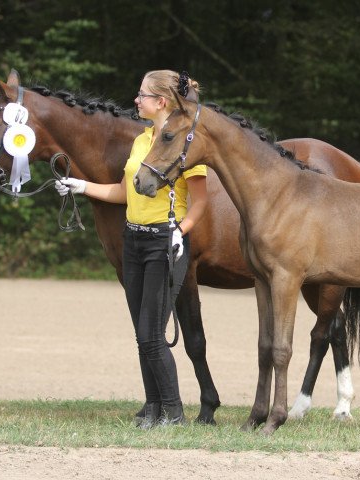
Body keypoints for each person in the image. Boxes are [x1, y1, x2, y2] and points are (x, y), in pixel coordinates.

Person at [55, 70, 208, 428]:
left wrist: (180, 231)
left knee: (152, 332)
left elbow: (199, 203)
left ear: (162, 103)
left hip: (164, 241)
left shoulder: (185, 144)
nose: (135, 101)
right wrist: (82, 186)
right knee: (143, 333)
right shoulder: (143, 142)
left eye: (142, 95)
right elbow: (125, 194)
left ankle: (174, 413)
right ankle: (153, 408)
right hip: (134, 239)